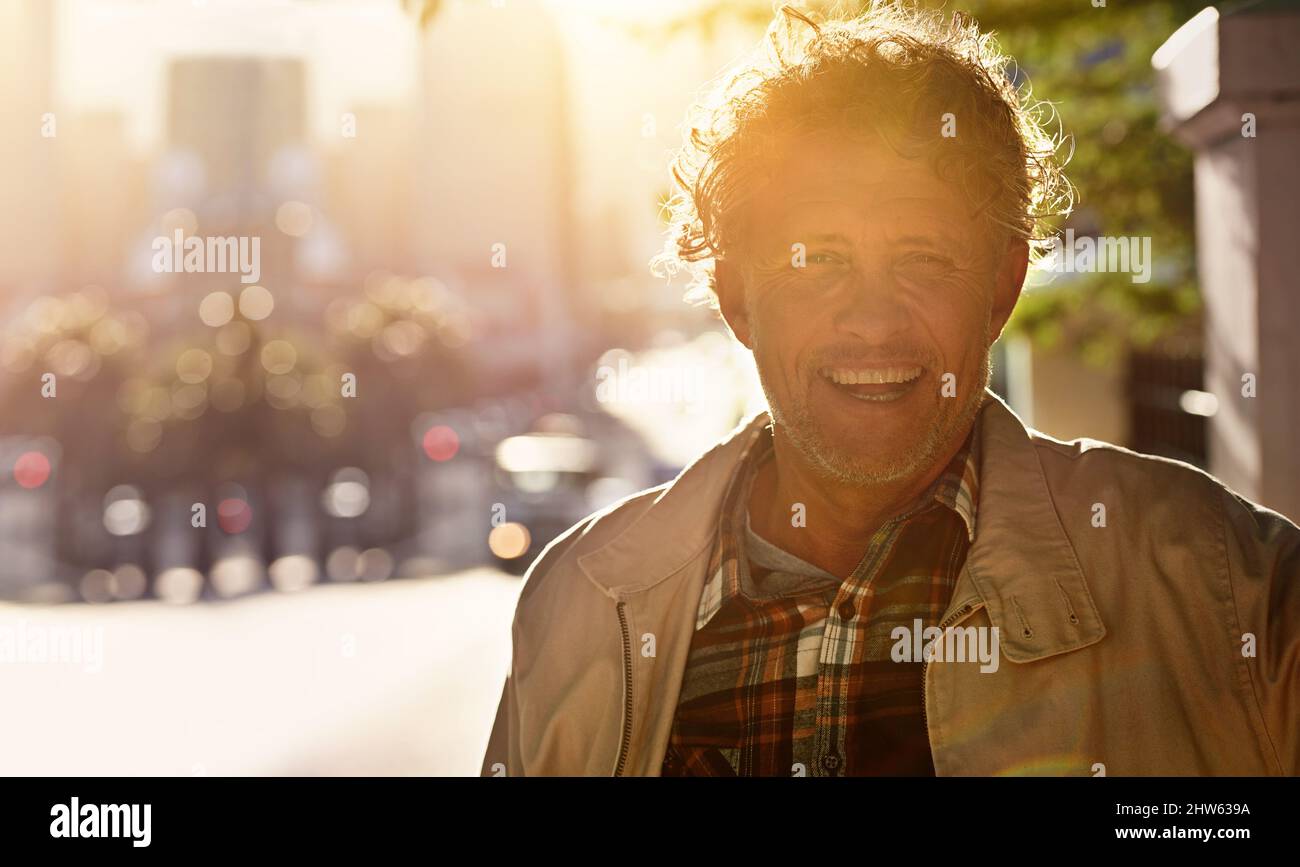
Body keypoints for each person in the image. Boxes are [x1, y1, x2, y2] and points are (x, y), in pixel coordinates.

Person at [481, 1, 1298, 776]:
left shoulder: (1227, 585)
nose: (872, 320)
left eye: (923, 257)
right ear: (736, 297)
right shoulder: (577, 605)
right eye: (818, 260)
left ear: (1002, 288)